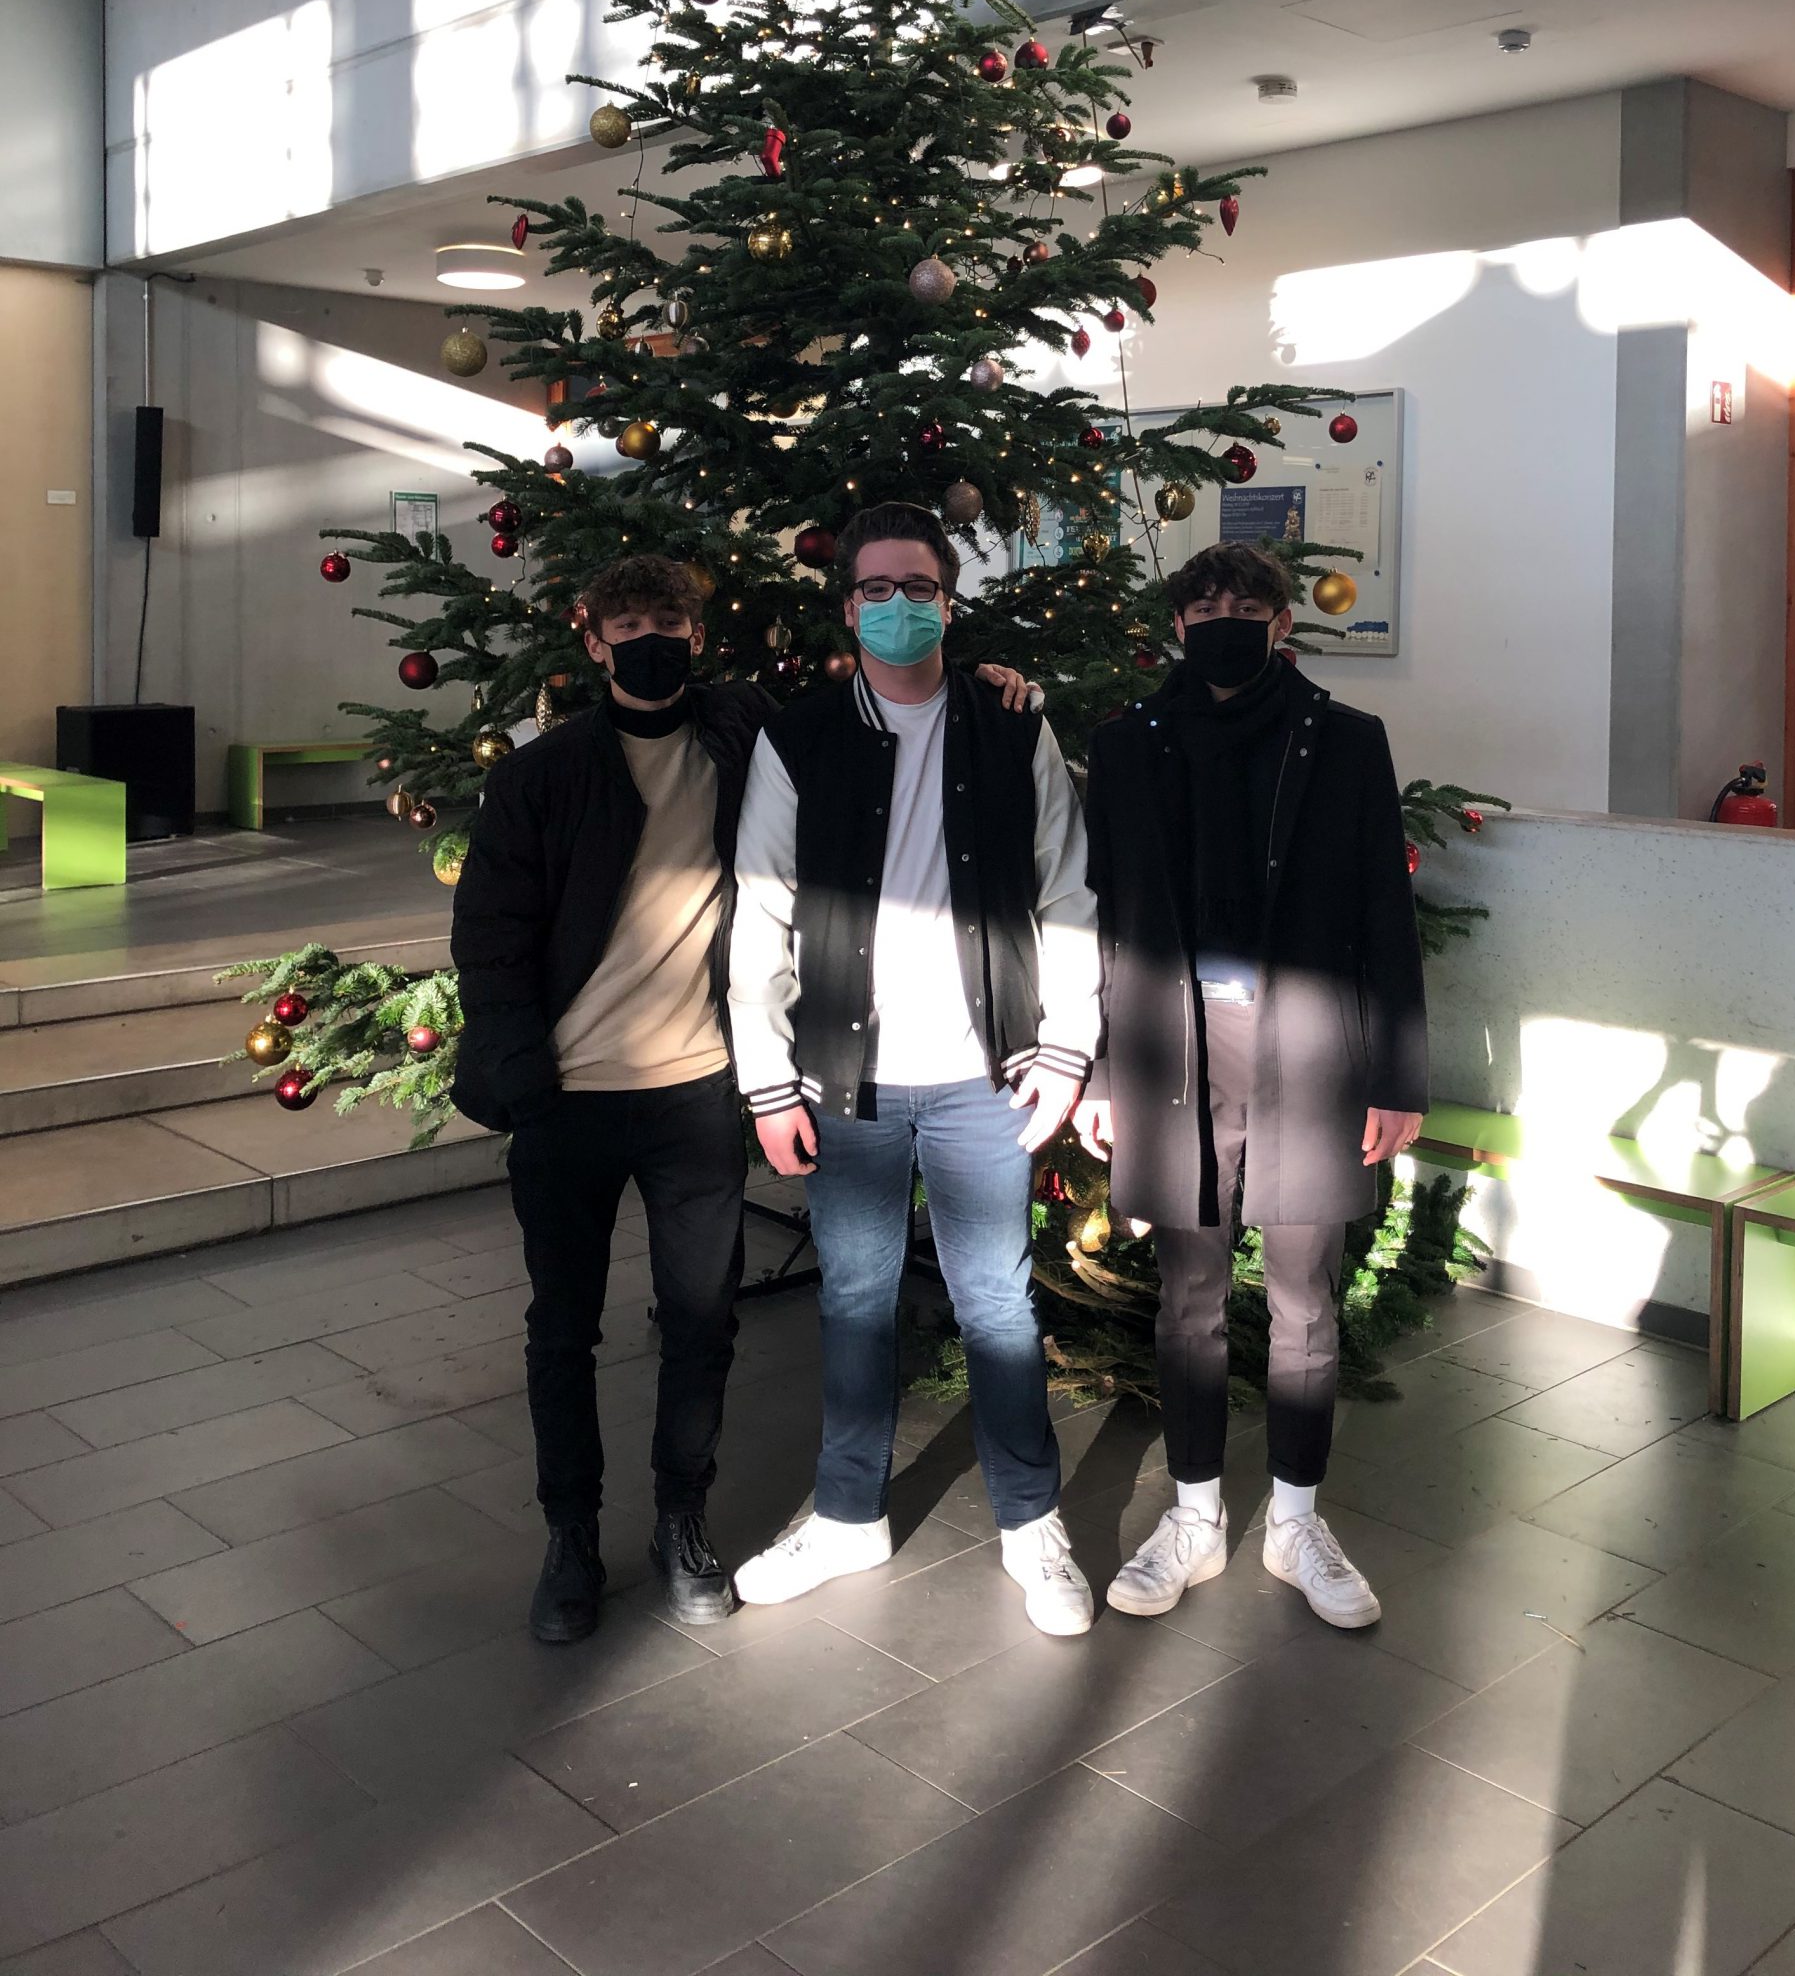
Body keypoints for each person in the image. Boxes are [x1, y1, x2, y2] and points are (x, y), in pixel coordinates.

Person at [451, 552, 1037, 1646]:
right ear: (593, 640)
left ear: (696, 634)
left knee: (700, 1322)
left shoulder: (743, 734)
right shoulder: (543, 773)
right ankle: (571, 1536)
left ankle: (682, 1520)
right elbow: (488, 938)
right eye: (628, 626)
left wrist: (992, 680)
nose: (650, 642)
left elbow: (873, 706)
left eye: (668, 623)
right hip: (569, 1099)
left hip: (695, 1096)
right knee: (562, 1329)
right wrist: (526, 1077)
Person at [727, 503, 1104, 1636]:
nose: (901, 606)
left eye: (921, 587)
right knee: (854, 1299)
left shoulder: (1011, 726)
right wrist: (766, 1078)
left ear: (950, 598)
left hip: (988, 1076)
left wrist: (1068, 1047)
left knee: (998, 1302)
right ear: (848, 606)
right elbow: (761, 911)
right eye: (878, 588)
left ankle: (1031, 1523)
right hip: (848, 1080)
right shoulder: (798, 739)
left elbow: (1067, 892)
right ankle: (849, 1516)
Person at [1079, 539, 1427, 1629]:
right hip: (1171, 1051)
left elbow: (1385, 910)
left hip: (1311, 1052)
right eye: (1205, 605)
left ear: (1282, 623)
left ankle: (1295, 1522)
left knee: (1304, 1298)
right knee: (1187, 1298)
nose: (1224, 619)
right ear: (1178, 624)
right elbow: (1103, 918)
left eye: (1247, 604)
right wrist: (1098, 1067)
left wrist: (1398, 1072)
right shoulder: (1126, 744)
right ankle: (1193, 1517)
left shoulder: (1347, 741)